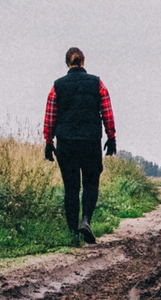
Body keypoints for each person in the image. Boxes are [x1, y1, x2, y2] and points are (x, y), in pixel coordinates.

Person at [43, 47, 116, 244]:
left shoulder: (57, 86)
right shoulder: (96, 83)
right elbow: (106, 110)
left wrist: (49, 142)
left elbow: (50, 116)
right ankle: (86, 221)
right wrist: (111, 136)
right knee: (91, 183)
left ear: (67, 63)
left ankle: (73, 233)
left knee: (71, 188)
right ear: (83, 61)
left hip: (66, 143)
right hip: (91, 141)